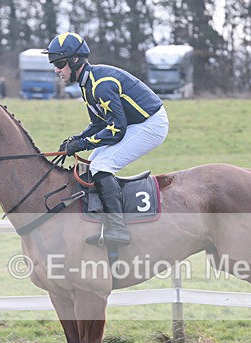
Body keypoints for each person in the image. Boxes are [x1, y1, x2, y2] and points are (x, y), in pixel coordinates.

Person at [44, 32, 169, 246]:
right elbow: (99, 124)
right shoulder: (87, 84)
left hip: (151, 124)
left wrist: (81, 144)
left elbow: (116, 130)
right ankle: (97, 222)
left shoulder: (101, 85)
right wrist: (76, 140)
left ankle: (118, 229)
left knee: (102, 165)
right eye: (53, 63)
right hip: (134, 123)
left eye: (59, 63)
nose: (56, 69)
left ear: (75, 61)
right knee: (90, 163)